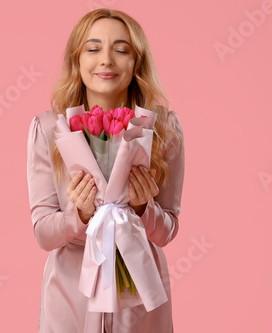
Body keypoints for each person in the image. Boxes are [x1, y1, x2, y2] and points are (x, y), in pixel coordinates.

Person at [26, 8, 185, 333]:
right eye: (93, 48)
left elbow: (167, 230)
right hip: (72, 293)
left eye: (121, 50)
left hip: (140, 294)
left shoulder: (165, 129)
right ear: (77, 59)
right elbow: (43, 233)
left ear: (137, 61)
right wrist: (79, 214)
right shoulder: (48, 129)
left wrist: (144, 208)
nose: (107, 60)